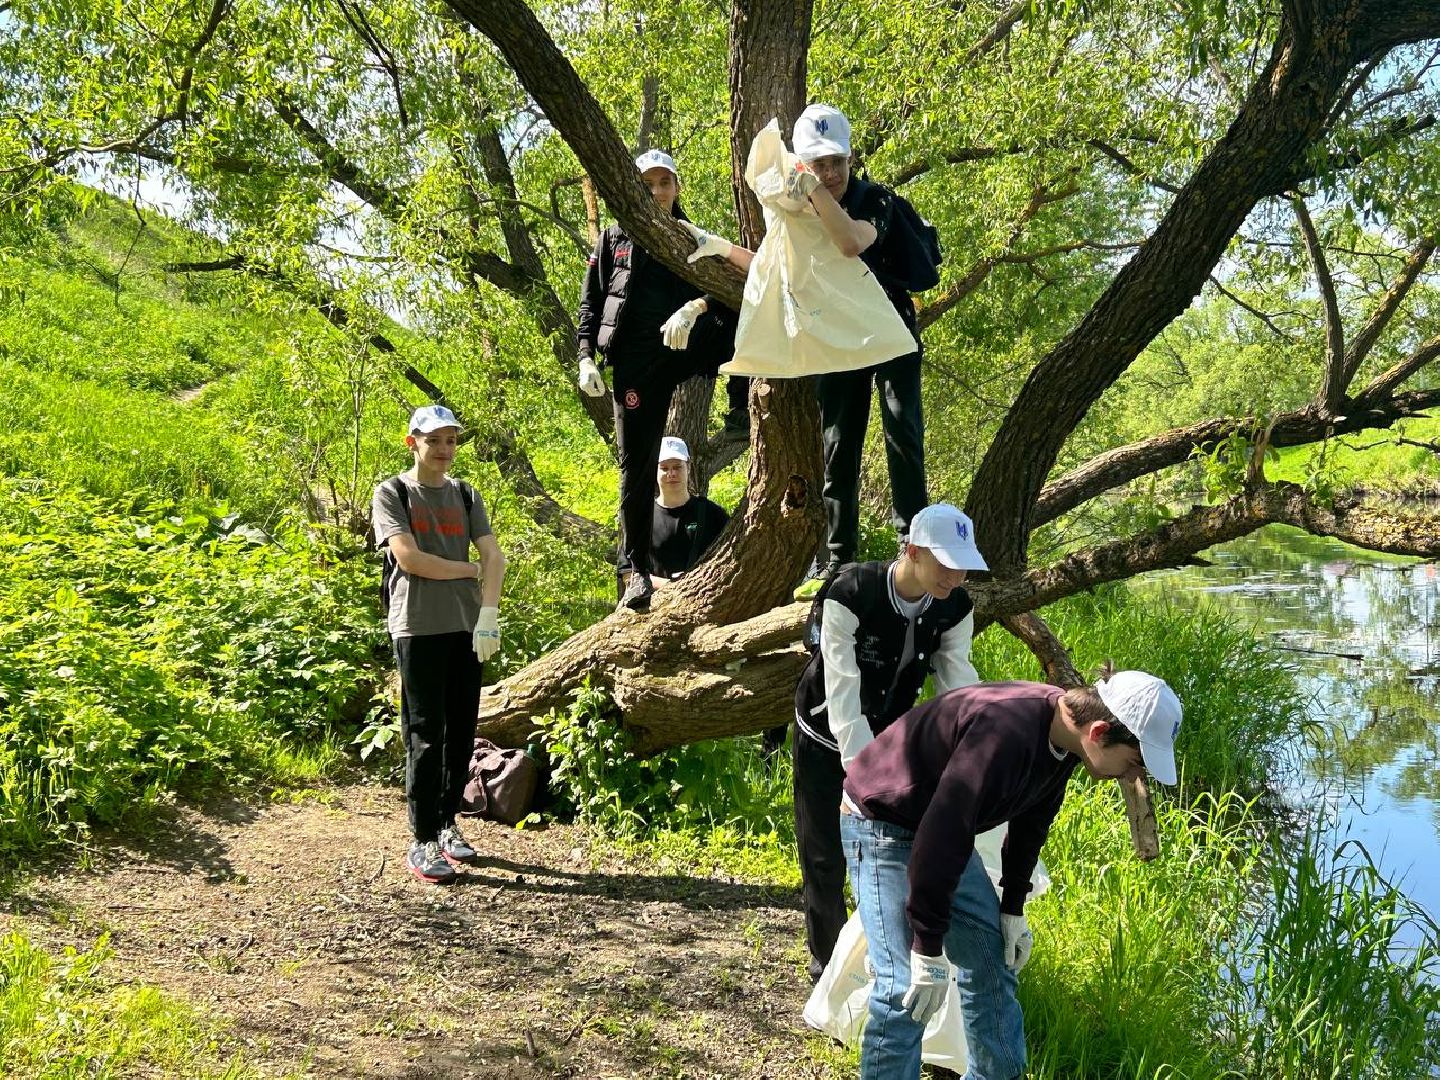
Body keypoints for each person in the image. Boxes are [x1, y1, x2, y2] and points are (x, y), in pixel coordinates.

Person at [841, 669, 1183, 1079]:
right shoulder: (1005, 732)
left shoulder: (1064, 740)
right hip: (882, 822)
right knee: (903, 989)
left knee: (992, 956)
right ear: (1099, 730)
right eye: (1133, 762)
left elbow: (1031, 822)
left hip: (940, 832)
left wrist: (1012, 908)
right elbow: (943, 831)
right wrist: (927, 947)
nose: (1131, 776)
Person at [792, 503, 986, 983]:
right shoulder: (851, 591)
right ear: (913, 550)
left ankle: (887, 966)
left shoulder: (955, 607)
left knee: (895, 853)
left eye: (963, 564)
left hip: (893, 740)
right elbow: (841, 689)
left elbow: (958, 685)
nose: (956, 575)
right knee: (824, 855)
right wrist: (862, 773)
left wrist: (976, 755)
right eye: (946, 562)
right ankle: (829, 974)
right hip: (823, 734)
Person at [576, 148, 753, 613]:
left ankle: (740, 409)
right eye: (647, 183)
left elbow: (733, 287)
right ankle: (634, 569)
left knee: (743, 310)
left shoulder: (689, 235)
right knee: (636, 465)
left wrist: (698, 307)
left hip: (682, 344)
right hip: (636, 363)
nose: (656, 192)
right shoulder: (612, 238)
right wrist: (586, 359)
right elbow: (590, 305)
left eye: (664, 183)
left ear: (676, 187)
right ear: (634, 187)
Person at [787, 103, 936, 597]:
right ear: (802, 163)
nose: (829, 174)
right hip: (839, 338)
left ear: (850, 159)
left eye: (836, 162)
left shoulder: (876, 200)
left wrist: (812, 192)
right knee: (838, 442)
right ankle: (837, 557)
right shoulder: (795, 207)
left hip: (891, 331)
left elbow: (852, 242)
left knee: (902, 433)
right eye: (817, 164)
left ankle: (910, 544)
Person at [372, 404, 507, 885]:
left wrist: (487, 615)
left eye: (451, 441)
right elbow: (410, 560)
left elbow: (495, 555)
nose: (445, 450)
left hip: (466, 627)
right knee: (425, 733)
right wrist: (470, 570)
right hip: (417, 625)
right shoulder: (393, 493)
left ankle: (448, 825)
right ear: (414, 443)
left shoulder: (467, 494)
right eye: (434, 441)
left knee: (460, 731)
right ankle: (422, 838)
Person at [637, 435, 729, 592]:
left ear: (688, 467)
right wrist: (673, 587)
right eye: (664, 468)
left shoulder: (713, 514)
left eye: (678, 467)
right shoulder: (641, 518)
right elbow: (630, 574)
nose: (671, 473)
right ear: (655, 471)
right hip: (655, 609)